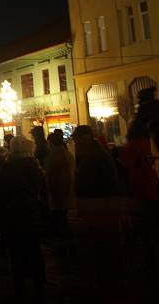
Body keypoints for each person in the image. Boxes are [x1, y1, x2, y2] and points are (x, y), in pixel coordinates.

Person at [0, 136, 48, 301]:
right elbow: (43, 191)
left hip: (13, 216)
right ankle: (40, 284)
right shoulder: (35, 166)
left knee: (16, 252)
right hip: (32, 214)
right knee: (35, 250)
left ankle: (20, 287)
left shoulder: (7, 167)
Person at [72, 124, 124, 297]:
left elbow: (92, 184)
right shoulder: (97, 154)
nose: (75, 144)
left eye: (76, 140)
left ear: (85, 139)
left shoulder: (94, 157)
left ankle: (107, 287)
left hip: (100, 209)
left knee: (103, 250)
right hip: (100, 208)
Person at [120, 97, 159, 272]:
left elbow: (127, 164)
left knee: (147, 229)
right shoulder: (143, 142)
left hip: (145, 191)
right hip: (147, 191)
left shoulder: (138, 143)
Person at [43, 131, 74, 250]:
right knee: (63, 217)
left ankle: (63, 244)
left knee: (59, 218)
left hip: (57, 192)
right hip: (66, 190)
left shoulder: (54, 156)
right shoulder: (66, 153)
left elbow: (51, 177)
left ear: (51, 143)